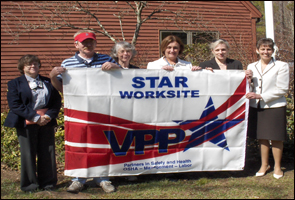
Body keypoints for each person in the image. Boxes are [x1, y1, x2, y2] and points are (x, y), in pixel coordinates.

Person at [49, 30, 120, 193]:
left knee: (102, 143)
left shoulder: (105, 59)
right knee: (79, 143)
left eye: (91, 42)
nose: (88, 45)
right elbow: (63, 89)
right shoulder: (67, 63)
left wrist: (115, 66)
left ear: (95, 43)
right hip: (78, 111)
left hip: (103, 110)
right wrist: (53, 77)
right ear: (76, 44)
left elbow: (121, 79)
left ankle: (102, 178)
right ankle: (78, 179)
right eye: (84, 42)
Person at [4, 54, 62, 192]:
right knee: (28, 154)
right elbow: (15, 105)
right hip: (25, 123)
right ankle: (30, 185)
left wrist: (47, 117)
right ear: (22, 67)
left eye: (35, 63)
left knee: (47, 153)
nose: (33, 66)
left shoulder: (48, 82)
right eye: (29, 64)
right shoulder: (14, 84)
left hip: (46, 122)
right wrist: (35, 117)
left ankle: (48, 183)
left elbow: (56, 101)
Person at [246, 38, 289, 179]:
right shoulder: (251, 66)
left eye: (269, 49)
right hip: (256, 106)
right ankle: (264, 165)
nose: (266, 52)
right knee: (262, 138)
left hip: (274, 105)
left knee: (276, 138)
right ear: (257, 50)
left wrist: (261, 95)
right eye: (263, 49)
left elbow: (282, 89)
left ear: (273, 50)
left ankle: (277, 166)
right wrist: (247, 81)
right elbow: (250, 87)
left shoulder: (281, 65)